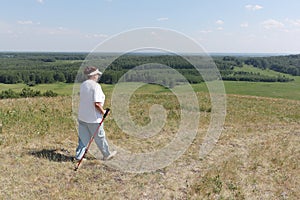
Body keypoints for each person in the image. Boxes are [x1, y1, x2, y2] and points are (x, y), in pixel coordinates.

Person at [75, 66, 117, 161]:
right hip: (94, 118)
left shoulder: (83, 85)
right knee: (100, 137)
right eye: (97, 74)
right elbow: (97, 104)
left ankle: (79, 156)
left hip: (82, 116)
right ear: (93, 75)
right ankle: (106, 155)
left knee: (83, 138)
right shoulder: (96, 86)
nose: (98, 76)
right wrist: (104, 112)